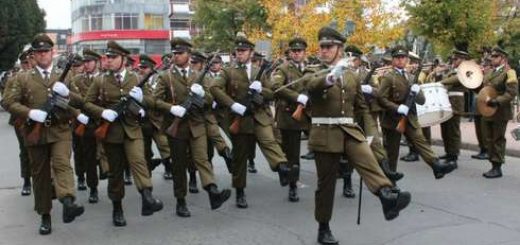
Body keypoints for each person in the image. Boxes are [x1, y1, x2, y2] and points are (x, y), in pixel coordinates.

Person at [304, 27, 411, 245]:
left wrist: (373, 134)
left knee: (368, 159)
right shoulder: (313, 70)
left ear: (340, 49)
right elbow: (311, 86)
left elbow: (362, 108)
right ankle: (323, 227)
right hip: (324, 133)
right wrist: (331, 76)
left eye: (328, 47)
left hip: (350, 130)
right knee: (326, 184)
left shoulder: (352, 75)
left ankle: (386, 197)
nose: (323, 50)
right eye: (321, 46)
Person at [3, 34, 85, 235]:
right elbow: (7, 102)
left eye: (46, 51)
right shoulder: (22, 78)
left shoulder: (64, 76)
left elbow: (80, 101)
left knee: (62, 164)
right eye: (38, 52)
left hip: (60, 130)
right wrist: (30, 112)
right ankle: (45, 215)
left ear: (52, 52)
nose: (42, 55)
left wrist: (67, 93)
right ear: (34, 55)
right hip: (35, 133)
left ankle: (67, 201)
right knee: (40, 175)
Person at [83, 40, 163, 226]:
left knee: (139, 162)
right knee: (116, 173)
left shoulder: (135, 79)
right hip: (111, 133)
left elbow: (152, 100)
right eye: (107, 57)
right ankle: (117, 208)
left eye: (113, 57)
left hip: (133, 129)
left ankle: (147, 198)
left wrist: (142, 102)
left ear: (123, 59)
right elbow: (86, 103)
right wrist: (103, 112)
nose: (108, 60)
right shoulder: (100, 80)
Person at [210, 36, 291, 209]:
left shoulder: (258, 71)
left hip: (259, 116)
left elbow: (273, 92)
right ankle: (239, 191)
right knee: (240, 158)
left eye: (243, 51)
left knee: (269, 141)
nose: (240, 54)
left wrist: (261, 92)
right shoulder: (228, 71)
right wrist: (233, 105)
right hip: (240, 119)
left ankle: (282, 168)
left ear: (251, 53)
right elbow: (215, 88)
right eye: (238, 51)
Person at [154, 38, 231, 217]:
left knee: (202, 160)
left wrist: (203, 95)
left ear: (189, 55)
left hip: (197, 126)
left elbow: (211, 101)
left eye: (180, 53)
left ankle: (213, 193)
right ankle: (180, 201)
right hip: (177, 128)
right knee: (179, 166)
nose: (176, 56)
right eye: (174, 53)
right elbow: (155, 101)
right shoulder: (166, 76)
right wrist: (172, 108)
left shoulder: (198, 76)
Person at [378, 45, 457, 179]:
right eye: (397, 58)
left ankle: (436, 165)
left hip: (410, 118)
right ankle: (390, 179)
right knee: (392, 151)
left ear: (407, 59)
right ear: (393, 60)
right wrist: (397, 108)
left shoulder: (411, 77)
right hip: (393, 119)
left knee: (420, 141)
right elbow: (381, 98)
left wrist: (416, 91)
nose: (400, 60)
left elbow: (422, 100)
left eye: (403, 58)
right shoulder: (388, 77)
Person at [272, 37, 311, 202]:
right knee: (292, 154)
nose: (296, 54)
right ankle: (293, 186)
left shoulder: (310, 69)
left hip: (308, 115)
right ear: (290, 53)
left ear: (304, 52)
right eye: (294, 51)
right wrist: (297, 97)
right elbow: (276, 87)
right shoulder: (283, 69)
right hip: (289, 116)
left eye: (299, 51)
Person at [69, 49, 103, 203]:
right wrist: (78, 115)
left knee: (104, 153)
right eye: (85, 62)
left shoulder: (104, 80)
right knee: (84, 154)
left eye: (89, 62)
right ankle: (89, 183)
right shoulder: (76, 80)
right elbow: (73, 101)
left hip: (101, 121)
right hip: (82, 121)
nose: (86, 65)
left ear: (97, 63)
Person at [480, 46, 518, 178]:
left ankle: (497, 166)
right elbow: (483, 89)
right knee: (489, 138)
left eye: (496, 56)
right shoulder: (489, 72)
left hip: (500, 110)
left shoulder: (509, 72)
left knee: (497, 139)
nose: (493, 58)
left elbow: (512, 92)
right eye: (492, 56)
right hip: (487, 110)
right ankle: (492, 164)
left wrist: (497, 101)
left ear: (503, 59)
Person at [1, 48, 34, 196]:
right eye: (25, 63)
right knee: (25, 150)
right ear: (21, 64)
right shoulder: (14, 79)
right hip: (22, 121)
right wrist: (19, 110)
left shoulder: (40, 77)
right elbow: (6, 102)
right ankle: (27, 180)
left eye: (30, 62)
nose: (28, 65)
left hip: (42, 120)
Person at [137, 54, 173, 180]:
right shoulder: (135, 80)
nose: (142, 70)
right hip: (142, 120)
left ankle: (168, 168)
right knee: (144, 149)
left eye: (145, 67)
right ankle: (147, 172)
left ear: (152, 68)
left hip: (158, 119)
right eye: (140, 67)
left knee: (165, 146)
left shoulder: (160, 79)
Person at [437, 45, 470, 167]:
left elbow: (455, 80)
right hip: (446, 102)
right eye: (453, 59)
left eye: (456, 59)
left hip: (456, 103)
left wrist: (441, 81)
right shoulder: (451, 70)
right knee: (445, 129)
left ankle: (454, 156)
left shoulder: (465, 71)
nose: (453, 61)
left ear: (463, 60)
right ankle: (448, 152)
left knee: (453, 131)